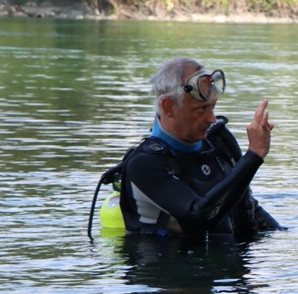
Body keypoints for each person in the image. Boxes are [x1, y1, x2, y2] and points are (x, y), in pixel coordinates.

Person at [118, 57, 281, 241]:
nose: (212, 119)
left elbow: (247, 205)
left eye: (212, 107)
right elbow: (200, 216)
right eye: (200, 110)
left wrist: (284, 239)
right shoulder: (144, 164)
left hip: (228, 262)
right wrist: (254, 155)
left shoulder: (218, 143)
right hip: (169, 267)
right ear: (169, 107)